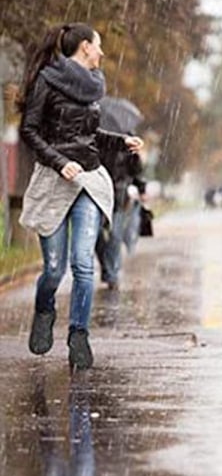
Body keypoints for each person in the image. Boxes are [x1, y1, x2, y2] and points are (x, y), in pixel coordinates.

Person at [18, 22, 143, 370]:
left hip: (88, 180)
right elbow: (29, 130)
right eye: (98, 46)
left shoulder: (95, 86)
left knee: (83, 262)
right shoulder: (47, 79)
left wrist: (121, 141)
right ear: (85, 46)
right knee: (55, 269)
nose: (102, 53)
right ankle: (44, 311)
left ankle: (79, 335)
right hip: (54, 181)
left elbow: (86, 135)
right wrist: (60, 163)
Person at [95, 146, 146, 291]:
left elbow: (136, 170)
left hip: (119, 197)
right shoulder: (94, 135)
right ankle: (107, 266)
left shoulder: (127, 140)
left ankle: (112, 275)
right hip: (97, 195)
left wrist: (141, 188)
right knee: (95, 234)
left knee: (115, 236)